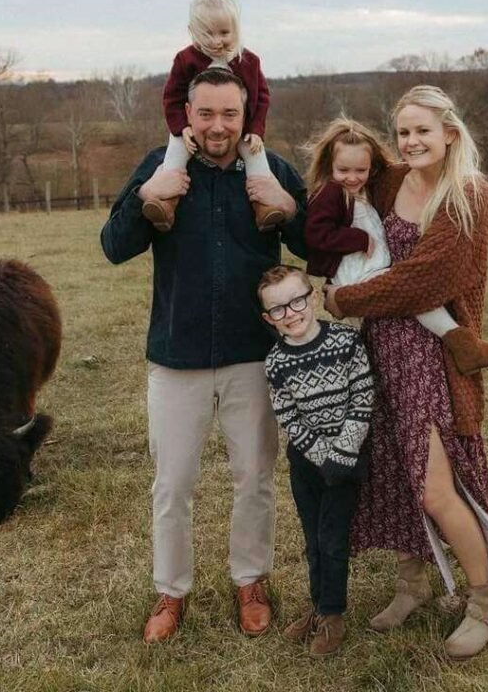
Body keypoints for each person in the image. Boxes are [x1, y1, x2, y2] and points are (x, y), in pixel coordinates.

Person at [100, 68, 307, 644]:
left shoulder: (272, 169)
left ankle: (250, 581)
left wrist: (288, 206)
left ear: (247, 117)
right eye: (207, 113)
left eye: (230, 114)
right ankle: (170, 592)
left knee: (255, 478)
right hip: (177, 356)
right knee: (172, 484)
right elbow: (114, 247)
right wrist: (146, 199)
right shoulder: (161, 167)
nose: (218, 126)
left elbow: (315, 245)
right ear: (187, 115)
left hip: (253, 356)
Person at [324, 85, 488, 661]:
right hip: (378, 348)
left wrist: (346, 299)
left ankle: (486, 601)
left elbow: (427, 280)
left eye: (423, 130)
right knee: (391, 471)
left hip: (430, 361)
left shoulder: (468, 193)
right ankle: (411, 586)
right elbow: (340, 190)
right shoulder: (390, 180)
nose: (412, 141)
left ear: (450, 134)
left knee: (438, 488)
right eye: (404, 132)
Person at [305, 116, 488, 375]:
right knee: (409, 290)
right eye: (343, 170)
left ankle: (463, 344)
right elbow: (315, 233)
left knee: (411, 289)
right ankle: (464, 346)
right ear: (330, 166)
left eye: (361, 170)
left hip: (370, 267)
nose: (352, 177)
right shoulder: (331, 193)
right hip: (355, 271)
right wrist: (359, 239)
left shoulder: (367, 188)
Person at [259, 265, 373, 657]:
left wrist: (342, 452)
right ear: (268, 318)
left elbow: (362, 397)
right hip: (307, 462)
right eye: (278, 310)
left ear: (312, 297)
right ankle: (318, 606)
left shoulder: (345, 341)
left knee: (332, 539)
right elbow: (288, 416)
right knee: (312, 540)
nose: (291, 313)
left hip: (347, 459)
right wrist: (320, 455)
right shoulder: (275, 362)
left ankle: (334, 615)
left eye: (297, 301)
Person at [141, 0, 287, 233]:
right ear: (193, 32)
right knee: (175, 154)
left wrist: (255, 130)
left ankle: (263, 208)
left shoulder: (248, 61)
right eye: (209, 34)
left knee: (256, 157)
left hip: (243, 131)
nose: (217, 41)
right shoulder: (185, 60)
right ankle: (165, 204)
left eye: (224, 33)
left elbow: (261, 96)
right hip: (189, 131)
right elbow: (172, 97)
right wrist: (181, 128)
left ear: (236, 30)